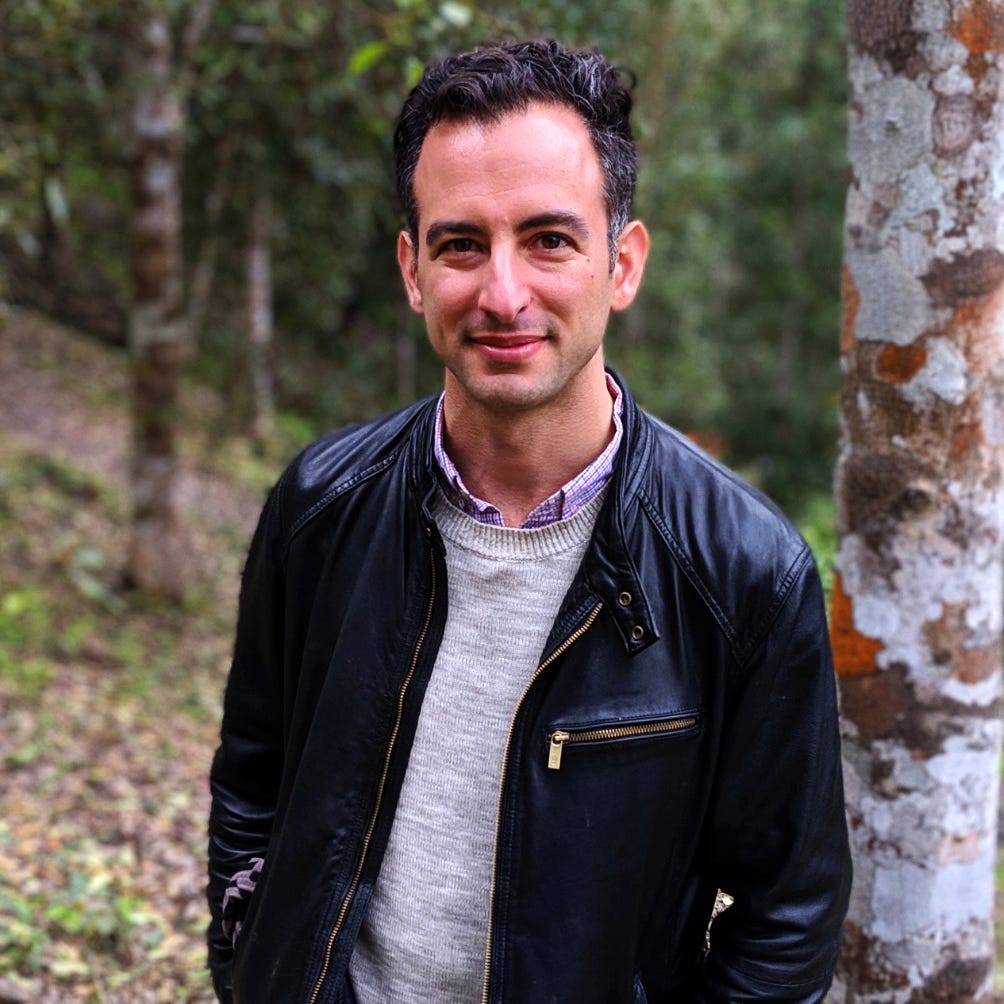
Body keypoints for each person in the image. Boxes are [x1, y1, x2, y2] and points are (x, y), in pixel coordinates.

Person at [207, 38, 851, 1004]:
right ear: (413, 271)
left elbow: (788, 916)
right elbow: (253, 785)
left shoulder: (745, 572)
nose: (503, 295)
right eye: (461, 244)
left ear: (622, 264)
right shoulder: (320, 505)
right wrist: (249, 966)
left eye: (549, 240)